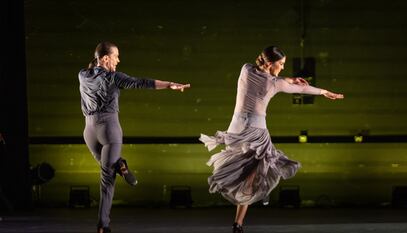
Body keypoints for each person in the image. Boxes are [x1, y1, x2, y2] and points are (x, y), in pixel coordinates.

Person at [200, 45, 343, 233]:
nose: (283, 67)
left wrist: (288, 78)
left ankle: (238, 220)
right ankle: (239, 219)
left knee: (241, 169)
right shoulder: (276, 83)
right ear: (270, 63)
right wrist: (323, 91)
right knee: (256, 174)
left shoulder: (245, 69)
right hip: (256, 130)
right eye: (281, 64)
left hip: (235, 129)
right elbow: (297, 88)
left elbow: (268, 76)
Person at [79, 41, 190, 233]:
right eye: (116, 56)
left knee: (107, 172)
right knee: (107, 178)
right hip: (108, 130)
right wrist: (170, 85)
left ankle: (103, 224)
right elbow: (141, 82)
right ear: (106, 58)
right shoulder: (114, 77)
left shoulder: (82, 75)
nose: (118, 60)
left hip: (89, 132)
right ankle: (120, 167)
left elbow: (96, 67)